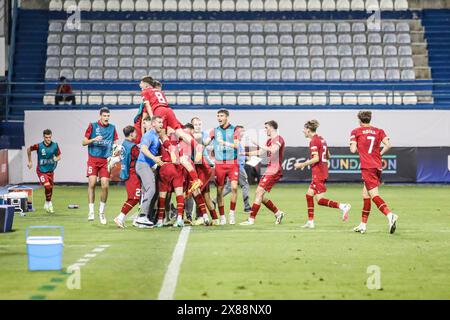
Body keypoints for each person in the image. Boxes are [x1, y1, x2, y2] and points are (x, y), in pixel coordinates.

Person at [294, 120, 351, 229]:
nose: (303, 131)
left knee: (320, 200)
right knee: (309, 195)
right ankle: (310, 222)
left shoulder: (314, 141)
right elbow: (329, 155)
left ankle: (343, 206)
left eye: (304, 129)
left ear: (309, 130)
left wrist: (302, 164)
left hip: (318, 173)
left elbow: (316, 158)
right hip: (322, 171)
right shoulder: (322, 139)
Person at [350, 111, 398, 234]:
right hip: (377, 166)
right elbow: (388, 145)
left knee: (374, 195)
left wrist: (352, 142)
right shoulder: (379, 131)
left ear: (360, 121)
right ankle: (363, 225)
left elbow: (353, 150)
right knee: (366, 195)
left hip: (367, 167)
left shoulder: (356, 131)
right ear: (369, 119)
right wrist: (379, 154)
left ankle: (390, 215)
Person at [240, 121, 286, 225]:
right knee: (259, 194)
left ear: (272, 128)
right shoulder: (269, 140)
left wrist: (258, 143)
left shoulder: (278, 139)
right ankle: (278, 213)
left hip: (274, 170)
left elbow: (274, 150)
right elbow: (260, 152)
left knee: (259, 192)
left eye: (266, 128)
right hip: (270, 169)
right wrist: (245, 153)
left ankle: (251, 219)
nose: (265, 130)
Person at [82, 107, 118, 224]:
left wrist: (114, 156)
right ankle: (91, 211)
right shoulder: (92, 126)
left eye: (108, 116)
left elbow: (115, 143)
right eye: (105, 116)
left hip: (105, 161)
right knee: (92, 183)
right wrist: (93, 139)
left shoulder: (112, 128)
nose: (106, 118)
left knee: (105, 186)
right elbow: (84, 142)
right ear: (100, 116)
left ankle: (101, 212)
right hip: (93, 159)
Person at [204, 109, 240, 225]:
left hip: (232, 163)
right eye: (218, 116)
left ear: (227, 117)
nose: (219, 118)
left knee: (234, 187)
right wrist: (200, 142)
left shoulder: (234, 129)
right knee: (219, 191)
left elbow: (236, 145)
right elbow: (207, 141)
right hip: (219, 164)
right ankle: (223, 216)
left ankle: (232, 213)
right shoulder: (214, 131)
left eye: (221, 116)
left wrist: (223, 143)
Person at [135, 116, 164, 228]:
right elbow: (143, 148)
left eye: (162, 122)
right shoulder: (149, 135)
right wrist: (155, 158)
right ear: (153, 124)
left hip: (147, 166)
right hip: (143, 165)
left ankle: (142, 219)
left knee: (147, 191)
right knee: (151, 189)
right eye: (159, 122)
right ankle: (142, 216)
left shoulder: (156, 136)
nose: (161, 124)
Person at [155, 128, 185, 228]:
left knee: (163, 197)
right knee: (179, 195)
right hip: (177, 168)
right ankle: (180, 218)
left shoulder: (161, 140)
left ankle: (160, 220)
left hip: (165, 167)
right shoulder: (179, 141)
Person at [27, 129, 61, 213]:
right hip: (41, 170)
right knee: (47, 186)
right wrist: (30, 161)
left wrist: (56, 158)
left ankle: (48, 202)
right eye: (46, 137)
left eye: (49, 137)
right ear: (44, 137)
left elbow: (59, 155)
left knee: (50, 188)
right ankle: (48, 203)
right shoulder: (39, 146)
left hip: (50, 171)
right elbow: (28, 149)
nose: (48, 139)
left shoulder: (55, 145)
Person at [114, 126, 141, 228]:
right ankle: (120, 218)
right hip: (132, 173)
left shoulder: (124, 144)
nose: (136, 134)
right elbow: (140, 158)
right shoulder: (133, 147)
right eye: (135, 133)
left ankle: (122, 218)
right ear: (131, 134)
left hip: (126, 172)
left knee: (134, 197)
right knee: (135, 198)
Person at [222, 125, 252, 213]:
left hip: (233, 168)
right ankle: (247, 207)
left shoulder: (236, 142)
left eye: (243, 131)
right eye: (241, 131)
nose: (242, 133)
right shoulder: (236, 143)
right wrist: (242, 169)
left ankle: (214, 201)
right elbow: (237, 157)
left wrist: (246, 158)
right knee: (245, 186)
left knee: (228, 188)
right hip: (238, 168)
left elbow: (238, 155)